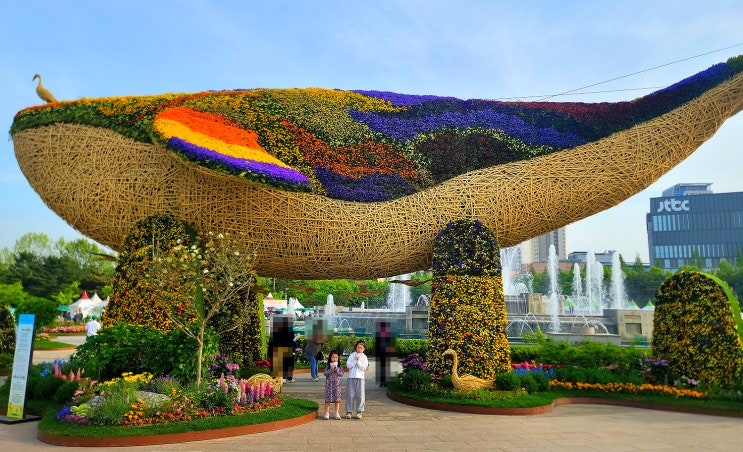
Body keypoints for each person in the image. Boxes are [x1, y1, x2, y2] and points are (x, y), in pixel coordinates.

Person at [345, 340, 369, 419]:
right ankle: (349, 411)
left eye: (361, 348)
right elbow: (348, 365)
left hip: (360, 378)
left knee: (360, 395)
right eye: (358, 347)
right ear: (356, 348)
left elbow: (364, 368)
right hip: (351, 377)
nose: (359, 349)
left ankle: (359, 411)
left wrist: (358, 361)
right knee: (350, 395)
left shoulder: (364, 357)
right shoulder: (352, 355)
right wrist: (355, 361)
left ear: (364, 349)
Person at [322, 350, 344, 420]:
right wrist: (331, 369)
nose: (334, 359)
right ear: (330, 358)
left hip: (337, 385)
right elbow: (325, 373)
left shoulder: (340, 366)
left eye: (336, 357)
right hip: (329, 385)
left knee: (337, 399)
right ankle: (327, 413)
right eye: (333, 357)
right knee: (328, 399)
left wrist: (337, 369)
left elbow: (341, 374)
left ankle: (337, 413)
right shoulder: (328, 366)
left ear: (338, 358)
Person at [375, 321, 396, 388]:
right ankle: (382, 382)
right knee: (383, 369)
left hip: (385, 354)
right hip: (382, 355)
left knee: (385, 369)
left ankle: (384, 382)